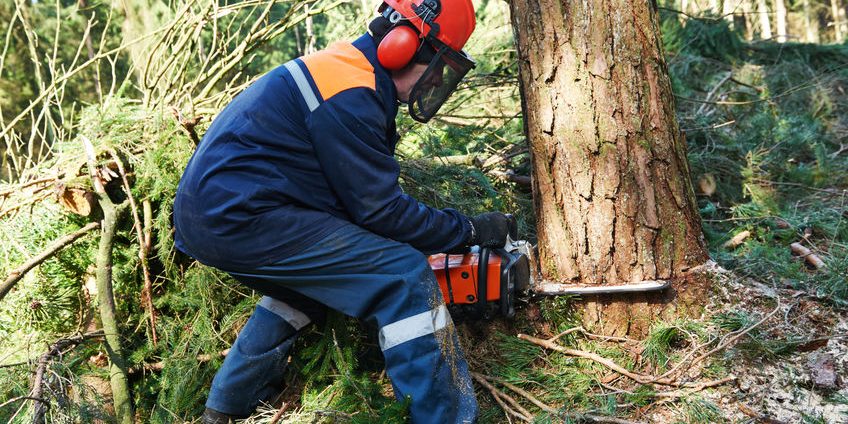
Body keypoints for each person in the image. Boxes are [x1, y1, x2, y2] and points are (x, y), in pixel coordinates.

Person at [173, 0, 511, 422]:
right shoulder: (350, 93)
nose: (439, 78)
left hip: (218, 215)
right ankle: (444, 418)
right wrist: (468, 231)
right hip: (242, 216)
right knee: (401, 276)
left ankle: (224, 408)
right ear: (404, 46)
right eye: (440, 64)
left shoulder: (347, 72)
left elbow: (358, 205)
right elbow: (381, 211)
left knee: (300, 293)